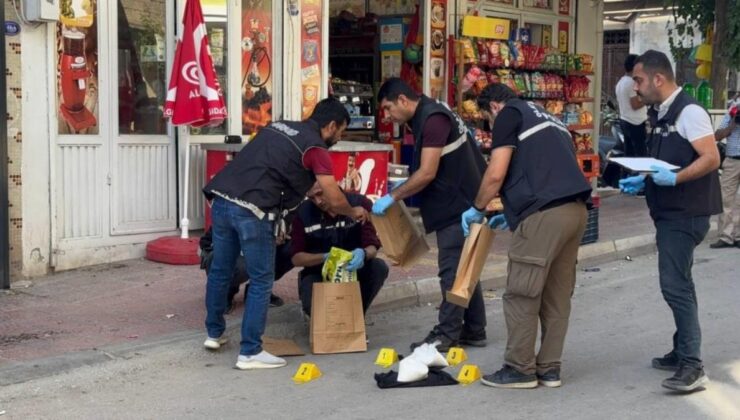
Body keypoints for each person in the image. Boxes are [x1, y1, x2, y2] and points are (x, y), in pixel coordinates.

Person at [202, 98, 368, 370]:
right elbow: (333, 196)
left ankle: (214, 333)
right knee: (262, 279)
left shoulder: (278, 126)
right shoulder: (315, 147)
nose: (339, 138)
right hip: (253, 211)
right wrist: (353, 211)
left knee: (221, 269)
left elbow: (271, 168)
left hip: (222, 199)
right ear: (331, 125)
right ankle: (250, 351)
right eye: (341, 132)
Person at [461, 83, 592, 389]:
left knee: (523, 291)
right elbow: (547, 170)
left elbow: (495, 173)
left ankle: (519, 368)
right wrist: (514, 210)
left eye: (487, 122)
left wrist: (477, 208)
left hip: (544, 215)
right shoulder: (552, 119)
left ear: (493, 107)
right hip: (576, 212)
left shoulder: (508, 114)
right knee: (557, 294)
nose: (491, 128)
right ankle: (549, 368)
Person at [619, 50, 721, 393]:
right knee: (682, 284)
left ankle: (693, 367)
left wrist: (675, 180)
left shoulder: (689, 111)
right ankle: (682, 350)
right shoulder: (662, 113)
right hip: (670, 211)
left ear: (658, 78)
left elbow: (711, 157)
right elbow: (667, 159)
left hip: (685, 213)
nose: (635, 87)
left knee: (675, 287)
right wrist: (645, 179)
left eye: (638, 80)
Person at [372, 78, 488, 352]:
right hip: (463, 198)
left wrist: (393, 196)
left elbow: (427, 172)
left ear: (402, 100)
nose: (388, 117)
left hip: (456, 205)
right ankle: (474, 328)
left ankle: (446, 335)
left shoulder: (433, 119)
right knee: (465, 266)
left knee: (451, 270)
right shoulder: (432, 110)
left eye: (388, 108)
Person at [291, 182, 388, 316]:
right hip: (319, 272)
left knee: (379, 267)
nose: (318, 201)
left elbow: (372, 246)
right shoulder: (303, 213)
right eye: (312, 198)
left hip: (353, 270)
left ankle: (357, 317)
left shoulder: (360, 203)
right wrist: (326, 256)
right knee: (312, 305)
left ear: (332, 187)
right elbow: (297, 258)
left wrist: (363, 253)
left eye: (320, 194)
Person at [198, 227, 292, 313]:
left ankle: (258, 289)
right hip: (226, 250)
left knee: (293, 247)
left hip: (253, 246)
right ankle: (224, 291)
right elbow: (207, 242)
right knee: (240, 264)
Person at [709, 94, 740, 249]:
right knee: (725, 199)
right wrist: (732, 125)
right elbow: (717, 135)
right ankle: (726, 237)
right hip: (732, 160)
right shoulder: (732, 113)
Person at [616, 54, 648, 158]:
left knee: (629, 155)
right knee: (640, 155)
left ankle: (627, 174)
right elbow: (635, 104)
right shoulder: (631, 83)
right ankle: (640, 174)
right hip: (635, 123)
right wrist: (647, 99)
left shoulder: (621, 82)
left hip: (625, 120)